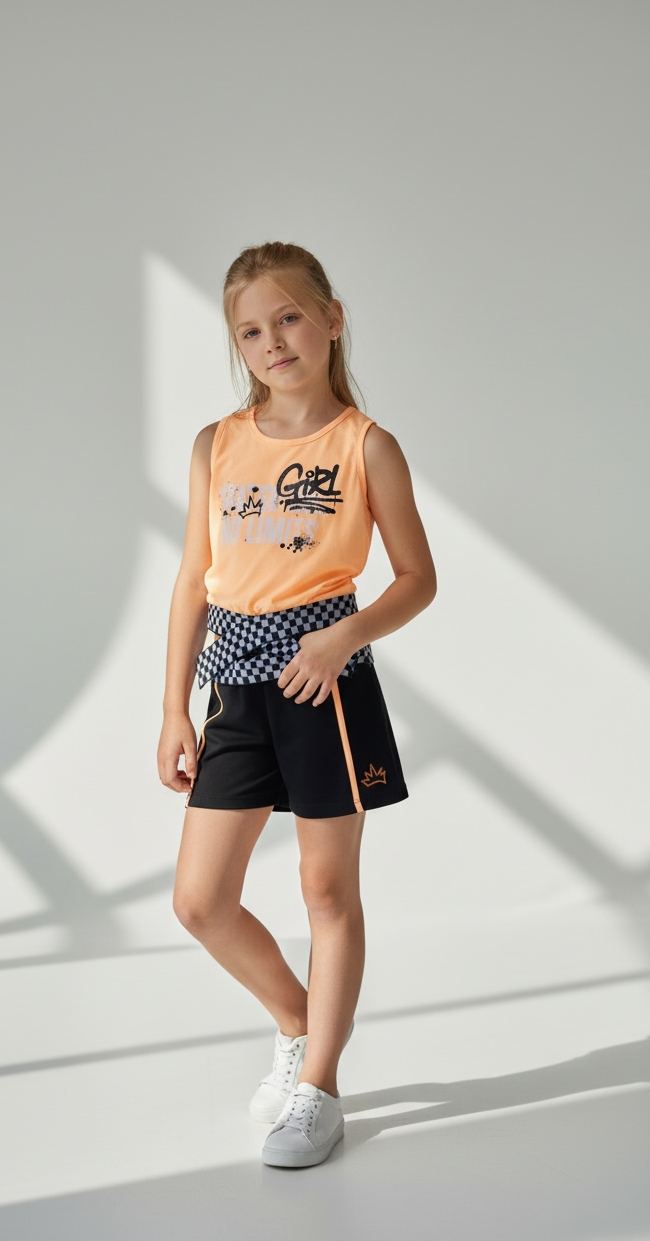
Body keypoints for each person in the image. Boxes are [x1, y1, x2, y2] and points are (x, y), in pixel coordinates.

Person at [157, 241, 436, 1168]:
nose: (272, 341)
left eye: (288, 318)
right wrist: (174, 710)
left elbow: (417, 578)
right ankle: (298, 1021)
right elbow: (192, 582)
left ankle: (319, 1087)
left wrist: (341, 637)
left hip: (327, 687)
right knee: (200, 900)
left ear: (331, 320)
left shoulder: (367, 445)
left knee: (325, 890)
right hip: (233, 685)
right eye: (250, 330)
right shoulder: (216, 444)